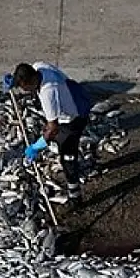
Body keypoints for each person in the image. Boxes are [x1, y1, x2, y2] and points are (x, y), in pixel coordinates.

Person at [5, 62, 92, 204]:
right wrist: (13, 82)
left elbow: (53, 128)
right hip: (72, 95)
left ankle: (75, 196)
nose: (22, 90)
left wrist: (36, 147)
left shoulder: (48, 93)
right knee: (57, 139)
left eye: (23, 87)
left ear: (30, 82)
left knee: (68, 158)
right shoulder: (39, 66)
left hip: (74, 118)